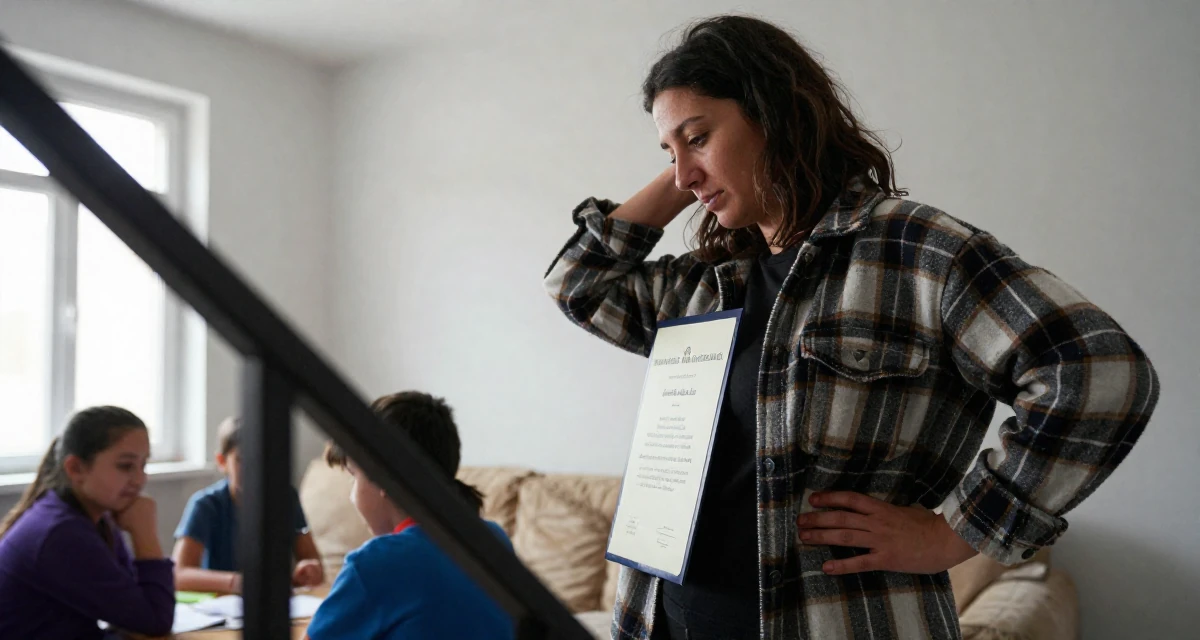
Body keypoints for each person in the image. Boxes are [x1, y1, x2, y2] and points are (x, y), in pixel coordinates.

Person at [543, 15, 1159, 640]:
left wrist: (956, 532)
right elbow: (578, 285)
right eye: (667, 153)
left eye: (699, 137)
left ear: (774, 115)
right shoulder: (705, 283)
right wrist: (691, 164)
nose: (682, 174)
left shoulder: (915, 252)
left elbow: (1099, 371)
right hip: (660, 622)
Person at [305, 391, 514, 640]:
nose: (352, 495)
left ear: (382, 476)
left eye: (354, 476)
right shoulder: (495, 540)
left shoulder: (374, 564)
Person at [0, 406, 175, 639]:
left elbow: (134, 601)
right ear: (76, 468)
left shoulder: (92, 517)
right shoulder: (61, 532)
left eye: (144, 465)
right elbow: (155, 620)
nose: (140, 479)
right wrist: (145, 534)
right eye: (125, 466)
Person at [173, 416, 324, 593]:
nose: (255, 468)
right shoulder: (206, 505)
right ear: (222, 462)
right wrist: (238, 582)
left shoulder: (286, 498)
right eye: (242, 459)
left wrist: (309, 570)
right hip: (222, 608)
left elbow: (310, 559)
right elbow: (179, 574)